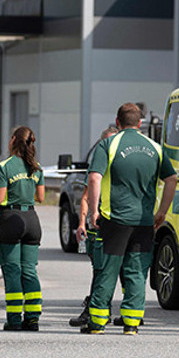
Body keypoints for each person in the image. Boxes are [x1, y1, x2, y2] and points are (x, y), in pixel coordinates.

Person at [82, 103, 178, 335]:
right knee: (136, 271)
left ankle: (96, 323)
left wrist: (94, 211)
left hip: (114, 219)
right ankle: (132, 324)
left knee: (107, 270)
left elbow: (95, 178)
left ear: (117, 122)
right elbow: (172, 179)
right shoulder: (155, 148)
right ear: (140, 123)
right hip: (144, 221)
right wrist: (162, 212)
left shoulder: (109, 144)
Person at [0, 126, 45, 331]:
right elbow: (41, 197)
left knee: (12, 271)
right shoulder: (36, 167)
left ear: (13, 141)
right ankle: (33, 317)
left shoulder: (5, 166)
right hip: (32, 220)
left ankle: (14, 319)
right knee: (29, 270)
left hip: (11, 219)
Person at [69, 125, 119, 327]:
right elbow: (86, 197)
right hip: (99, 224)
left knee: (120, 270)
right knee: (100, 269)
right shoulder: (98, 164)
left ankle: (104, 311)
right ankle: (97, 309)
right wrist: (82, 222)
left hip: (116, 222)